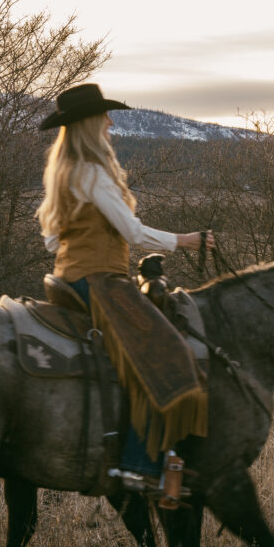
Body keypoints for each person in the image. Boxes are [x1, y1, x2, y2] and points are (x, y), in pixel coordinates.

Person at [36, 83, 214, 477]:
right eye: (104, 117)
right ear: (88, 125)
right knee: (161, 352)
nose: (110, 123)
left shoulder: (63, 173)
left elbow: (51, 240)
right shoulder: (94, 173)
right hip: (100, 281)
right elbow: (132, 233)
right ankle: (136, 463)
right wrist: (184, 240)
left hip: (68, 276)